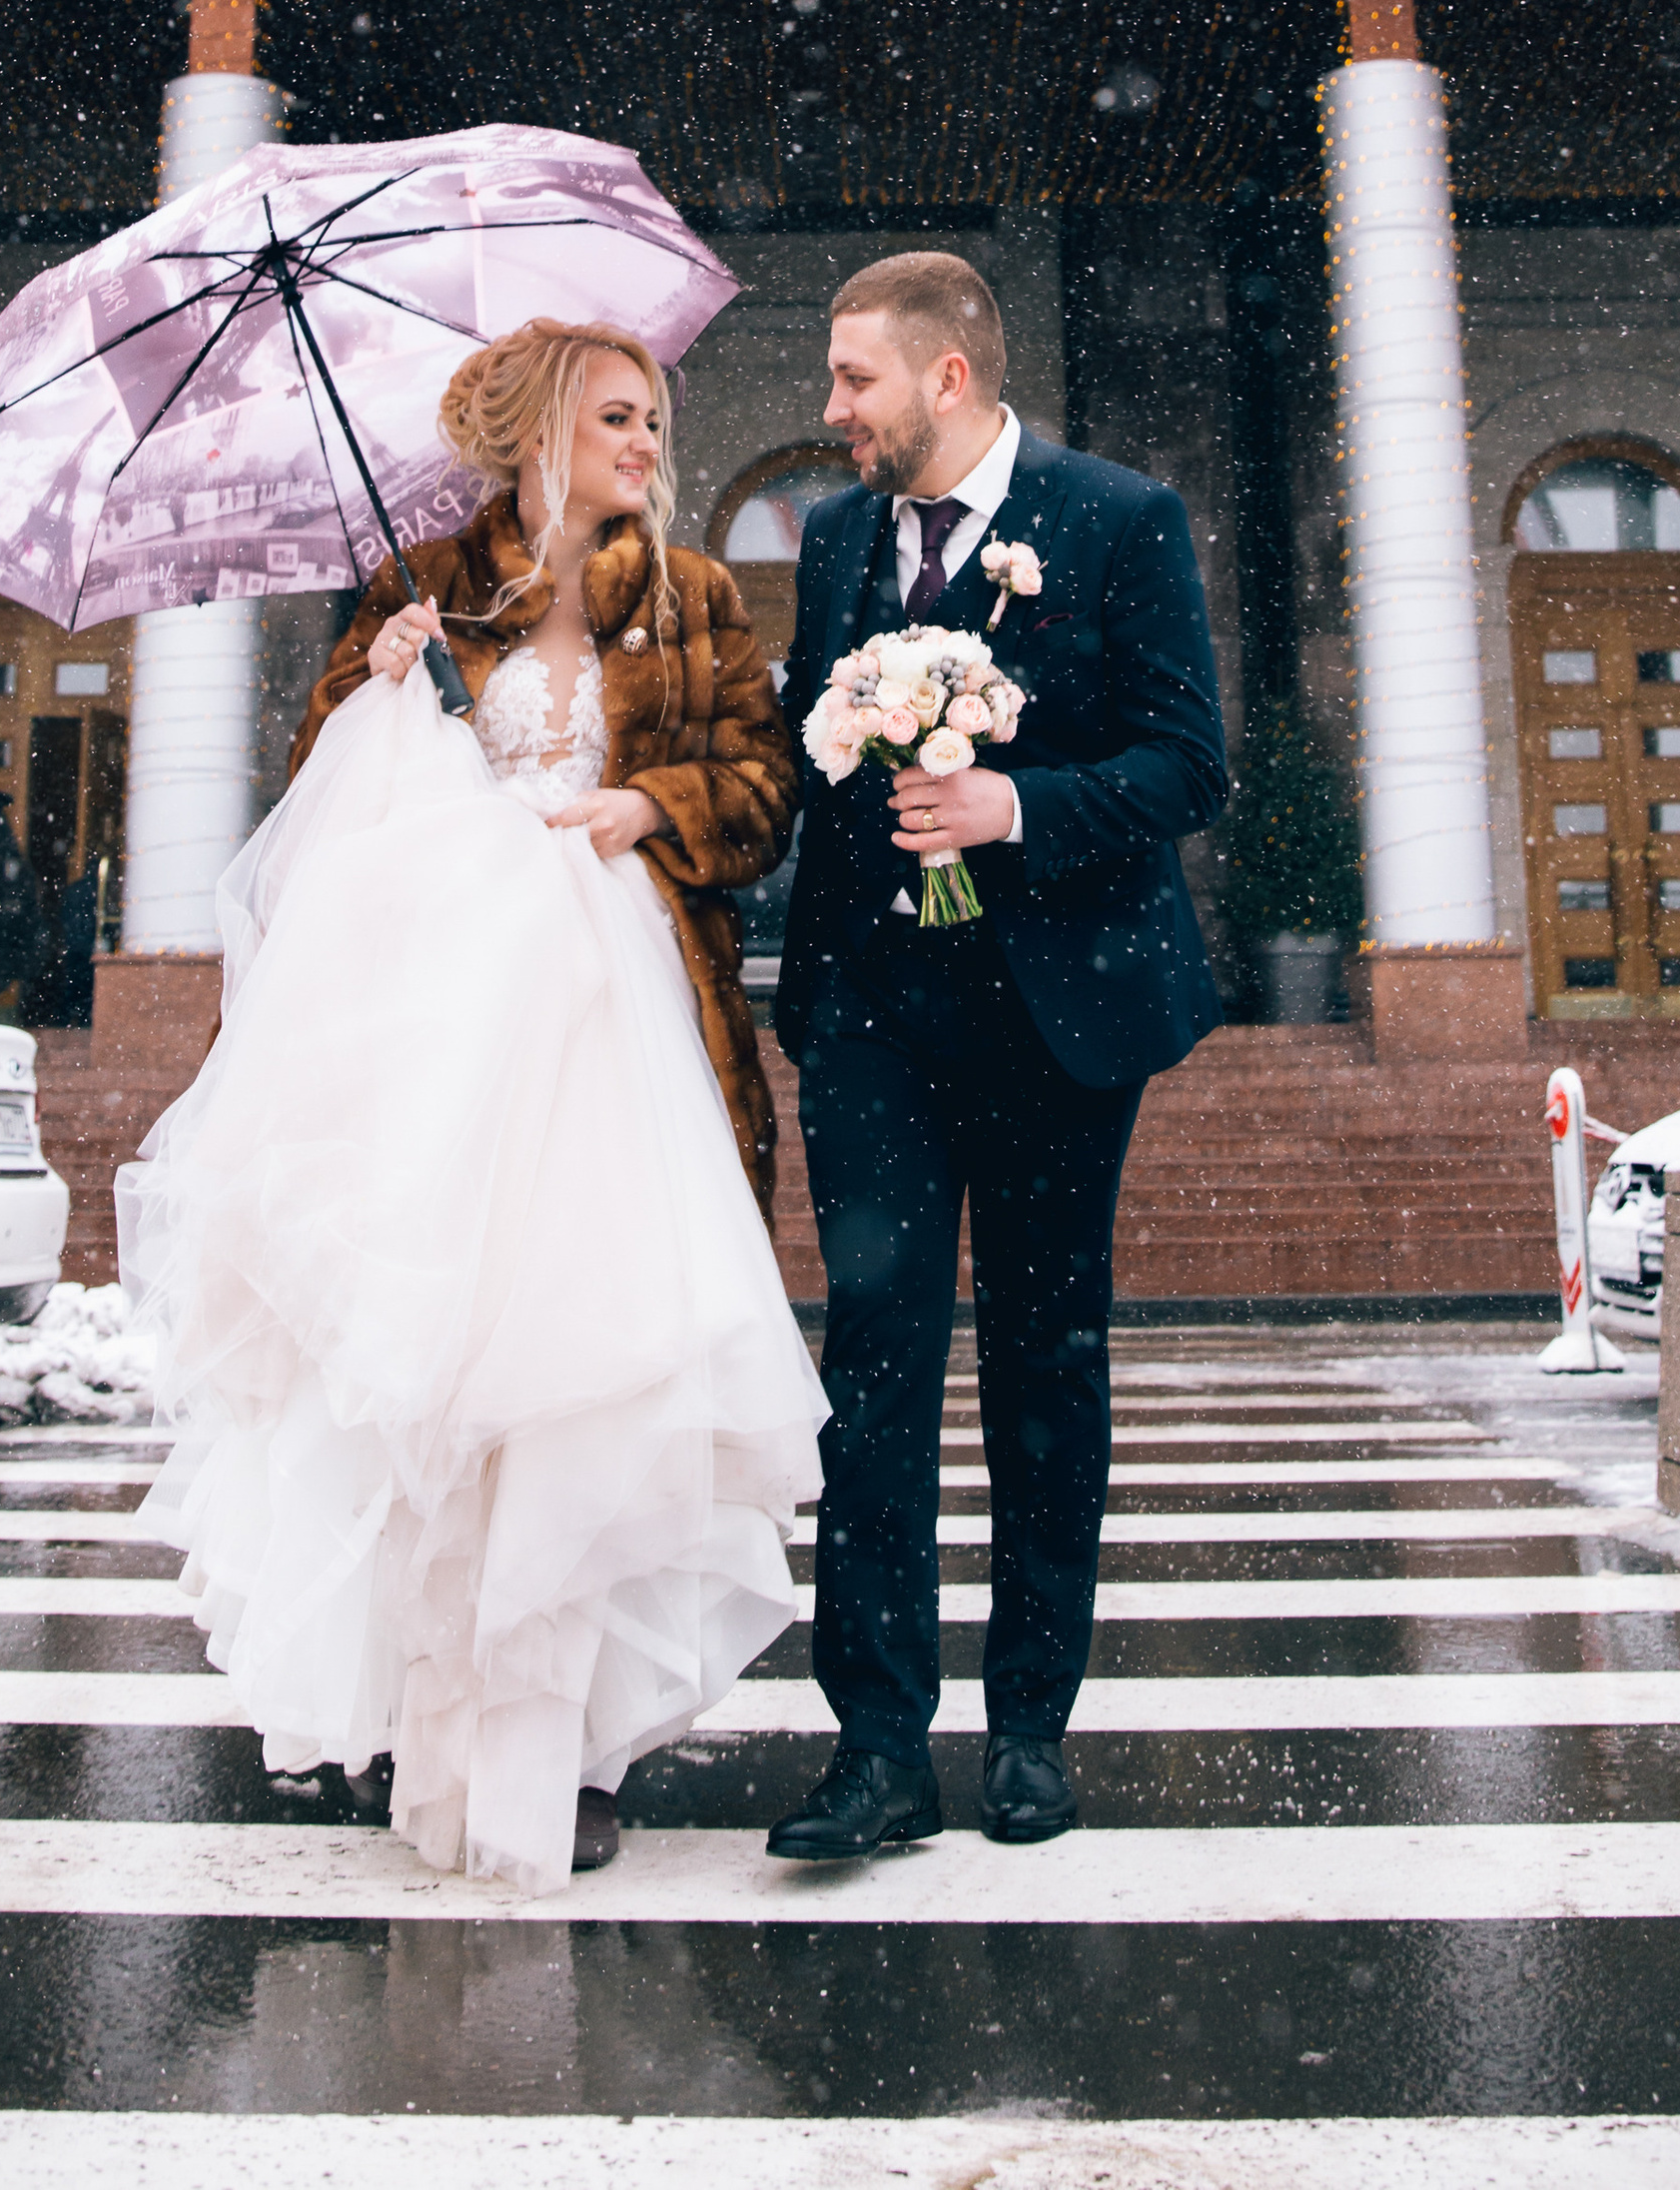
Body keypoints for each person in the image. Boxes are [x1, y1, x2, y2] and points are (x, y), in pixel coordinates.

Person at [120, 318, 826, 1897]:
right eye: (621, 417)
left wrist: (649, 804)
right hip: (445, 1052)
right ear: (543, 429)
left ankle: (559, 1755)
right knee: (446, 1395)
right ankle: (445, 1738)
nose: (648, 443)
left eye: (658, 419)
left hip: (630, 1038)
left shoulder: (698, 597)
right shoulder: (420, 591)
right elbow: (324, 816)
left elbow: (765, 787)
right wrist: (368, 693)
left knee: (591, 1382)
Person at [766, 251, 1228, 1862]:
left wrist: (1014, 805)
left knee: (1048, 1366)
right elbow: (807, 769)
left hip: (1059, 1011)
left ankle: (1029, 1729)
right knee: (872, 1372)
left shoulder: (1118, 518)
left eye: (853, 382)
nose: (832, 412)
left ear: (945, 380)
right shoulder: (835, 543)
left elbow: (1187, 763)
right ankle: (876, 1749)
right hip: (875, 1017)